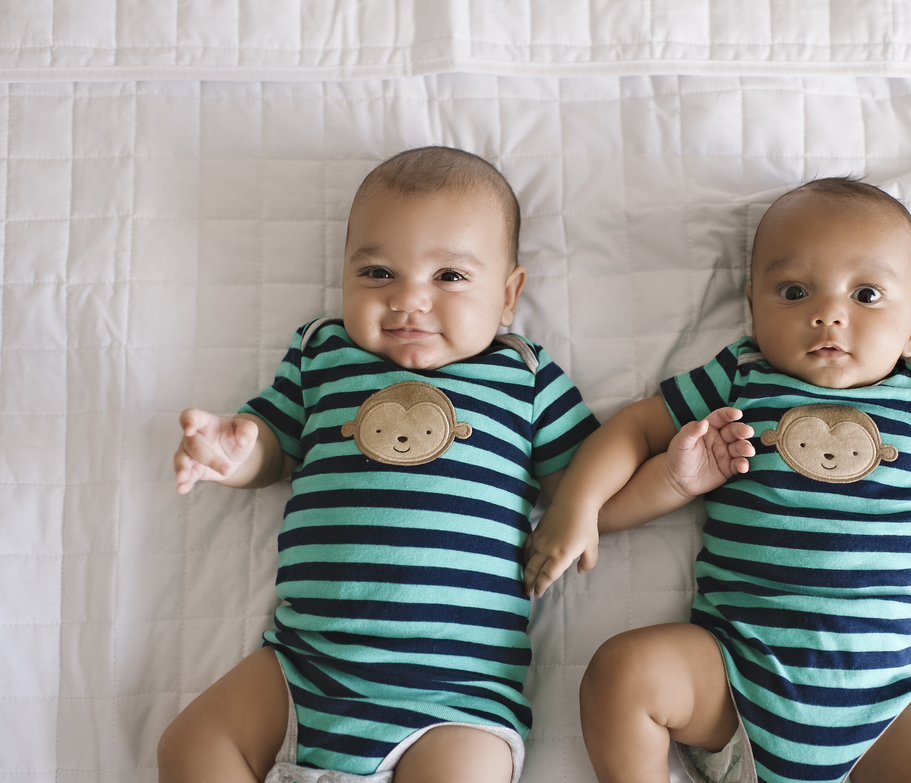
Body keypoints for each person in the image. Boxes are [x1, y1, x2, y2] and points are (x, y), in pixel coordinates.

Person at [521, 178, 911, 783]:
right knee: (620, 672)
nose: (829, 314)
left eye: (865, 295)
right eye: (795, 292)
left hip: (881, 705)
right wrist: (579, 502)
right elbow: (636, 427)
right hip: (735, 676)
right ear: (753, 309)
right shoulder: (743, 376)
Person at [159, 146, 600, 783]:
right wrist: (235, 451)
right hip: (304, 661)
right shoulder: (322, 351)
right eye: (376, 274)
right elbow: (274, 448)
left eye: (449, 277)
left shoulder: (523, 373)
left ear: (508, 295)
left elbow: (583, 474)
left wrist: (605, 498)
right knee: (189, 746)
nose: (408, 302)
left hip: (459, 692)